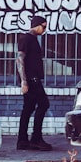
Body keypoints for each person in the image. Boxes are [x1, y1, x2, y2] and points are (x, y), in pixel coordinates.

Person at [16, 14, 53, 151]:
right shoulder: (26, 39)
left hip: (32, 80)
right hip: (32, 80)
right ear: (37, 25)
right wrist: (24, 82)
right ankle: (36, 138)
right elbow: (19, 60)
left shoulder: (33, 39)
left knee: (28, 109)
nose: (44, 29)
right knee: (44, 104)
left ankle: (22, 141)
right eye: (43, 26)